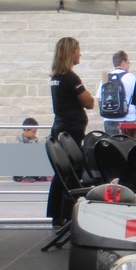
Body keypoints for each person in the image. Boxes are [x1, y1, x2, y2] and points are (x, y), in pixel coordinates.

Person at [48, 37, 95, 226]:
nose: (80, 53)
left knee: (61, 173)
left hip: (60, 127)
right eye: (78, 50)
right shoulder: (70, 77)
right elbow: (89, 102)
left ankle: (57, 214)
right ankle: (67, 213)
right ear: (70, 52)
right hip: (71, 131)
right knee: (72, 172)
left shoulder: (56, 78)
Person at [96, 50, 136, 135]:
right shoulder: (131, 77)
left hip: (109, 119)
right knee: (128, 145)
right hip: (128, 118)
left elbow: (99, 98)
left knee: (112, 145)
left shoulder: (106, 77)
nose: (129, 65)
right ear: (123, 63)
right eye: (128, 63)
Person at [14, 117, 49, 182]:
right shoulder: (19, 139)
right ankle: (25, 176)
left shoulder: (35, 138)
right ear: (26, 130)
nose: (35, 133)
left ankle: (38, 175)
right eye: (33, 132)